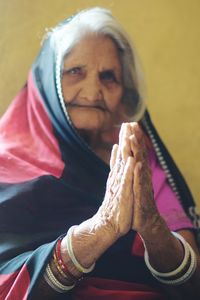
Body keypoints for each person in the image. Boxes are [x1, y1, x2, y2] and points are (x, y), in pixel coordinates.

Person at [0, 7, 200, 300]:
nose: (93, 91)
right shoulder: (8, 164)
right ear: (47, 82)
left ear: (124, 94)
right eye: (75, 71)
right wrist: (100, 230)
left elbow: (192, 284)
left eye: (109, 77)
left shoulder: (136, 156)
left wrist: (153, 227)